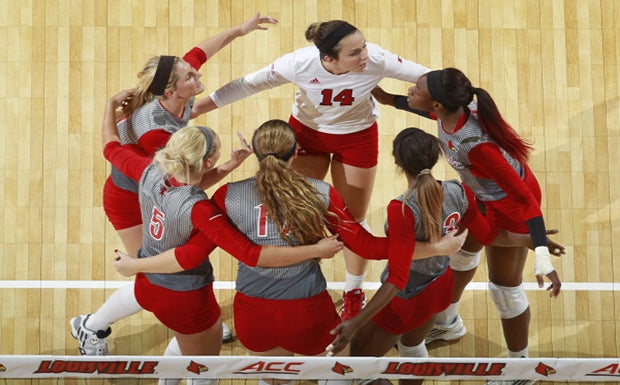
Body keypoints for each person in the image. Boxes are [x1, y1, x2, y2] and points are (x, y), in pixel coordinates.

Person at [114, 119, 466, 385]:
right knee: (339, 370)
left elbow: (199, 251)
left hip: (253, 314)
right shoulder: (320, 193)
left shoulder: (226, 197)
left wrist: (138, 264)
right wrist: (435, 247)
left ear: (256, 152)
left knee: (276, 378)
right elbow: (369, 248)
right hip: (308, 309)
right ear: (296, 153)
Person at [98, 92, 345, 385]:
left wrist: (110, 105)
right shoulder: (201, 210)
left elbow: (111, 146)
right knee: (204, 371)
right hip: (184, 296)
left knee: (184, 347)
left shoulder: (149, 170)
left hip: (149, 285)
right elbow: (228, 255)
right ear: (208, 159)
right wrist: (316, 248)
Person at [191, 20, 431, 320]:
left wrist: (465, 102)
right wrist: (198, 108)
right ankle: (296, 277)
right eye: (355, 53)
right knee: (297, 209)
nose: (365, 56)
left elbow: (429, 78)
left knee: (352, 221)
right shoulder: (299, 64)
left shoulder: (376, 59)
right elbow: (248, 84)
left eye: (364, 47)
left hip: (358, 137)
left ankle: (354, 290)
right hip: (306, 136)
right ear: (328, 58)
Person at [70, 12, 278, 355]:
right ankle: (91, 327)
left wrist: (239, 31)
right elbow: (181, 184)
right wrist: (228, 166)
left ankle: (195, 330)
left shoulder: (176, 91)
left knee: (155, 273)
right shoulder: (158, 134)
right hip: (130, 197)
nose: (197, 74)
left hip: (148, 184)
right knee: (150, 273)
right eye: (190, 75)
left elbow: (201, 50)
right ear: (171, 89)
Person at [323, 128, 565, 385]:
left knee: (356, 369)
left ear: (397, 163)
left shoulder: (401, 208)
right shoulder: (459, 191)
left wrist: (357, 321)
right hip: (440, 288)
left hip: (404, 299)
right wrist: (529, 239)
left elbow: (397, 277)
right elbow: (489, 236)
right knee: (412, 348)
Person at [371, 68, 563, 385]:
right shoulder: (448, 110)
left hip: (510, 206)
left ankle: (521, 369)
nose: (410, 90)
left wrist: (539, 248)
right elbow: (400, 100)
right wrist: (369, 83)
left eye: (417, 88)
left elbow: (526, 199)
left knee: (504, 290)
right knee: (459, 254)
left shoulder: (478, 147)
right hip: (477, 195)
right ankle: (448, 323)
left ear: (437, 106)